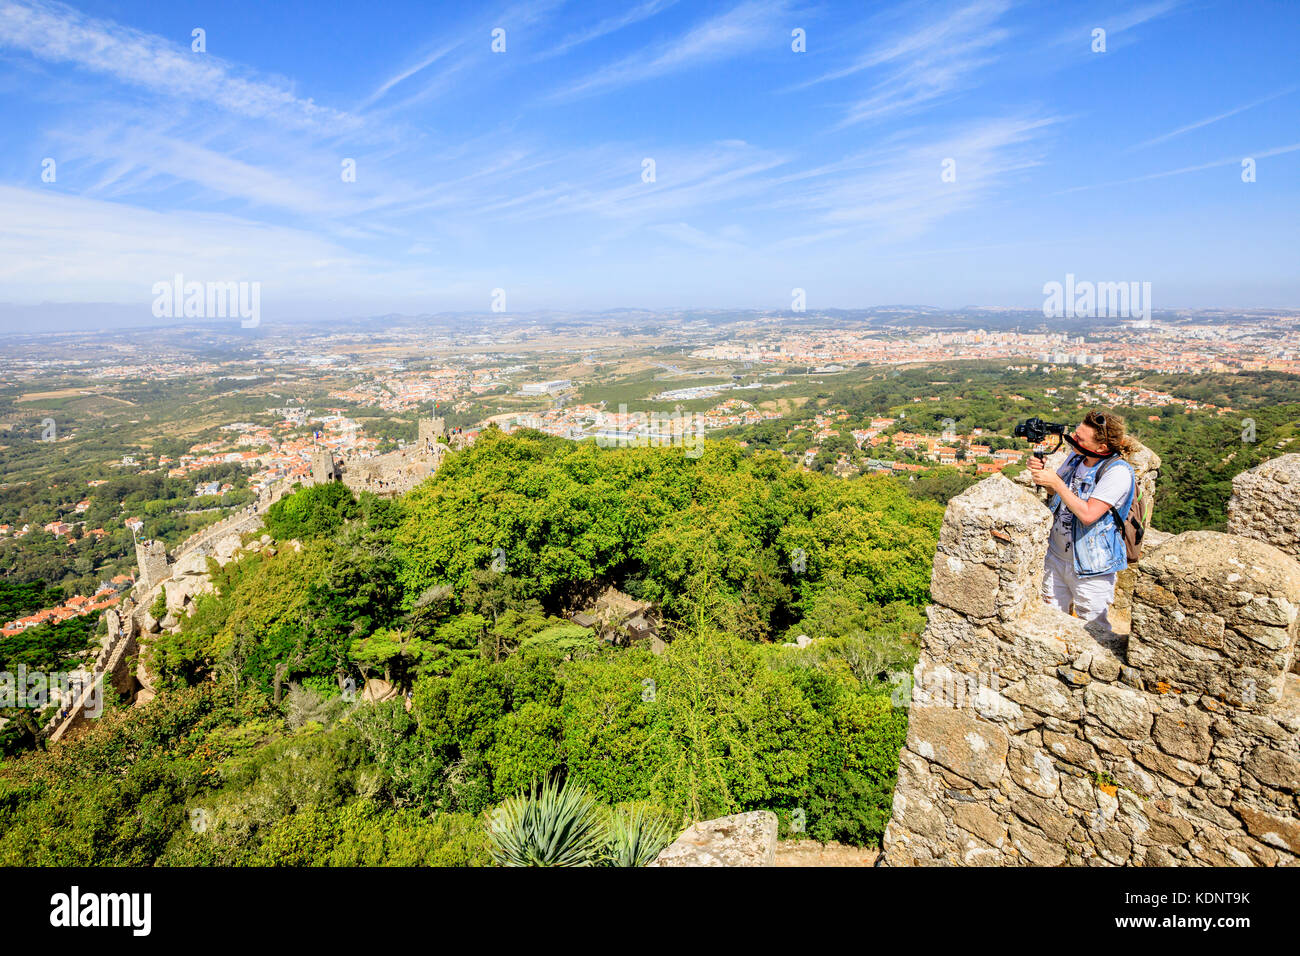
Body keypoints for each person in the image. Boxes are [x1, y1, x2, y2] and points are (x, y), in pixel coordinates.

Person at [1027, 410, 1135, 635]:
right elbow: (1057, 495)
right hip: (1056, 556)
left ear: (1102, 447)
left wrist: (1056, 483)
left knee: (1093, 629)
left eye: (1080, 439)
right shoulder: (1076, 458)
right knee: (1051, 621)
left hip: (1091, 567)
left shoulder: (1117, 473)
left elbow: (1088, 514)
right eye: (1076, 434)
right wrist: (1044, 477)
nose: (1072, 440)